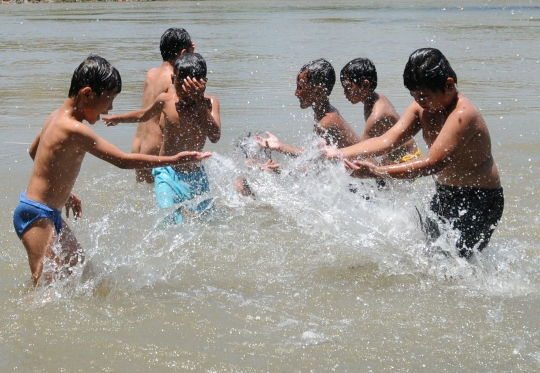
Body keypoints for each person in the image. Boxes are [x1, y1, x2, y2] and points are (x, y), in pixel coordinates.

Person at [13, 55, 211, 286]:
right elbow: (123, 161)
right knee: (45, 286)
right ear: (87, 94)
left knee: (78, 267)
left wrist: (62, 193)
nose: (111, 108)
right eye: (109, 99)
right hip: (36, 214)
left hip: (47, 212)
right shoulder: (74, 129)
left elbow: (34, 152)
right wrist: (174, 159)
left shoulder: (56, 116)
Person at [326, 48, 504, 259]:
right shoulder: (422, 108)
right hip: (444, 193)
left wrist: (378, 172)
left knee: (456, 265)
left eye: (424, 96)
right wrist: (339, 153)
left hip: (479, 200)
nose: (419, 102)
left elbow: (432, 164)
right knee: (431, 257)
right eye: (414, 96)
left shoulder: (463, 114)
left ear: (449, 85)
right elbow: (386, 141)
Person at [103, 53, 220, 225]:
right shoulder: (166, 101)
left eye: (192, 87)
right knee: (170, 223)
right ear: (173, 79)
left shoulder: (210, 103)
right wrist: (118, 118)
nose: (187, 93)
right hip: (167, 173)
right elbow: (144, 114)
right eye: (181, 85)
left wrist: (199, 102)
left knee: (208, 224)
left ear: (203, 84)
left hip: (196, 175)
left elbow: (215, 136)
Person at [131, 27, 220, 183]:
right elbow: (167, 121)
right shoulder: (173, 80)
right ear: (183, 53)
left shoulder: (151, 73)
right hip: (156, 153)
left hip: (137, 149)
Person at [255, 58, 361, 156]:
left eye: (300, 87)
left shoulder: (326, 122)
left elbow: (310, 157)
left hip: (366, 172)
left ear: (318, 92)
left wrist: (280, 146)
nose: (296, 93)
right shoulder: (327, 112)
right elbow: (316, 157)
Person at [340, 57, 420, 166]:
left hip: (406, 161)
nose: (344, 94)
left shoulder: (377, 115)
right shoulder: (377, 98)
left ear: (365, 85)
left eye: (348, 88)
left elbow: (360, 151)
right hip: (401, 157)